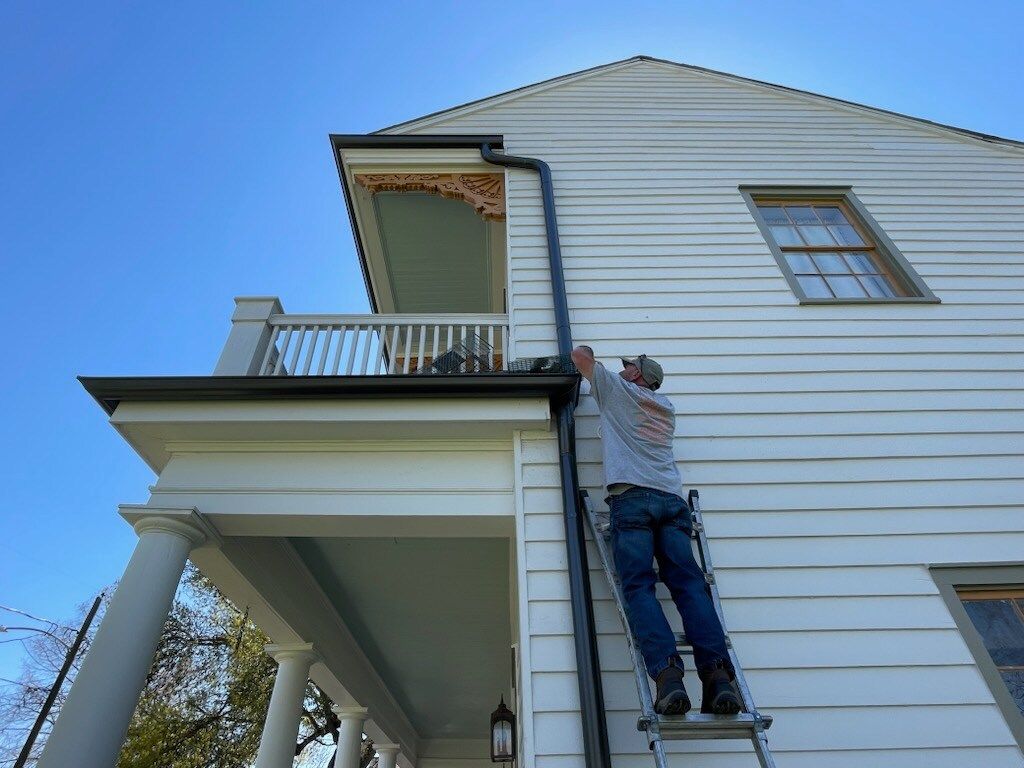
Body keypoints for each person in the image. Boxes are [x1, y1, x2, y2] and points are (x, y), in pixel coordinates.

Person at [570, 345, 741, 716]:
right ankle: (719, 679)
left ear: (636, 375)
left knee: (638, 586)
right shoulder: (666, 408)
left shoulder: (620, 391)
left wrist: (591, 352)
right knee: (690, 587)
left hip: (632, 499)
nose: (623, 369)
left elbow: (580, 357)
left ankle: (667, 677)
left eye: (628, 366)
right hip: (671, 502)